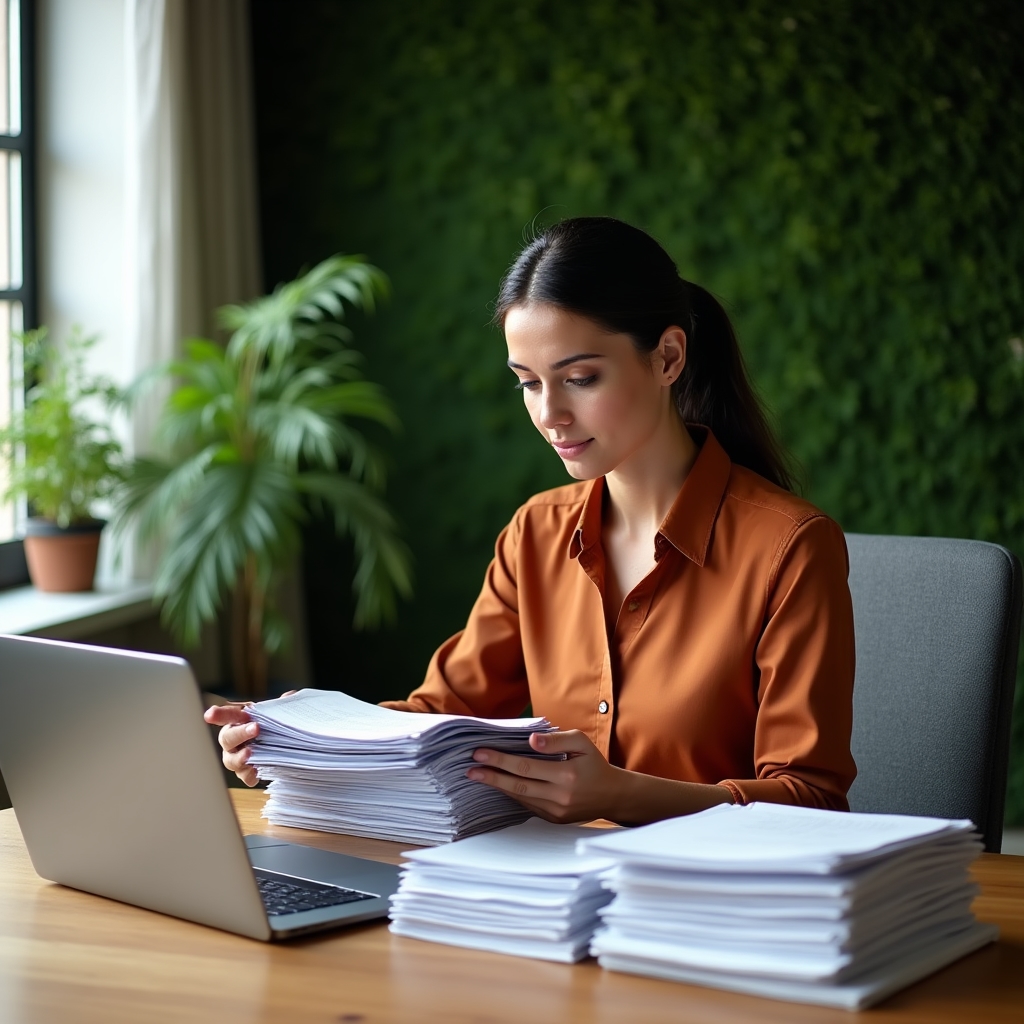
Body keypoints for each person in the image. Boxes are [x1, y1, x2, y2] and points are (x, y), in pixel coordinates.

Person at [207, 217, 856, 826]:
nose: (550, 414)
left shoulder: (789, 548)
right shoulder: (537, 533)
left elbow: (810, 800)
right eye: (528, 383)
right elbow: (441, 716)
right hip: (540, 903)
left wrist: (620, 794)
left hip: (715, 914)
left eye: (579, 378)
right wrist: (302, 740)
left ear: (667, 358)